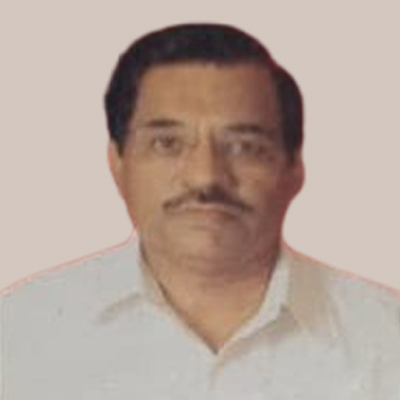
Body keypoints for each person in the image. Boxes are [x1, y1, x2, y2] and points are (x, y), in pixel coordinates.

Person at [1, 23, 399, 400]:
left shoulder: (386, 336)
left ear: (293, 168)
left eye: (244, 147)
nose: (205, 177)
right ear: (118, 163)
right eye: (167, 143)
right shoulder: (19, 334)